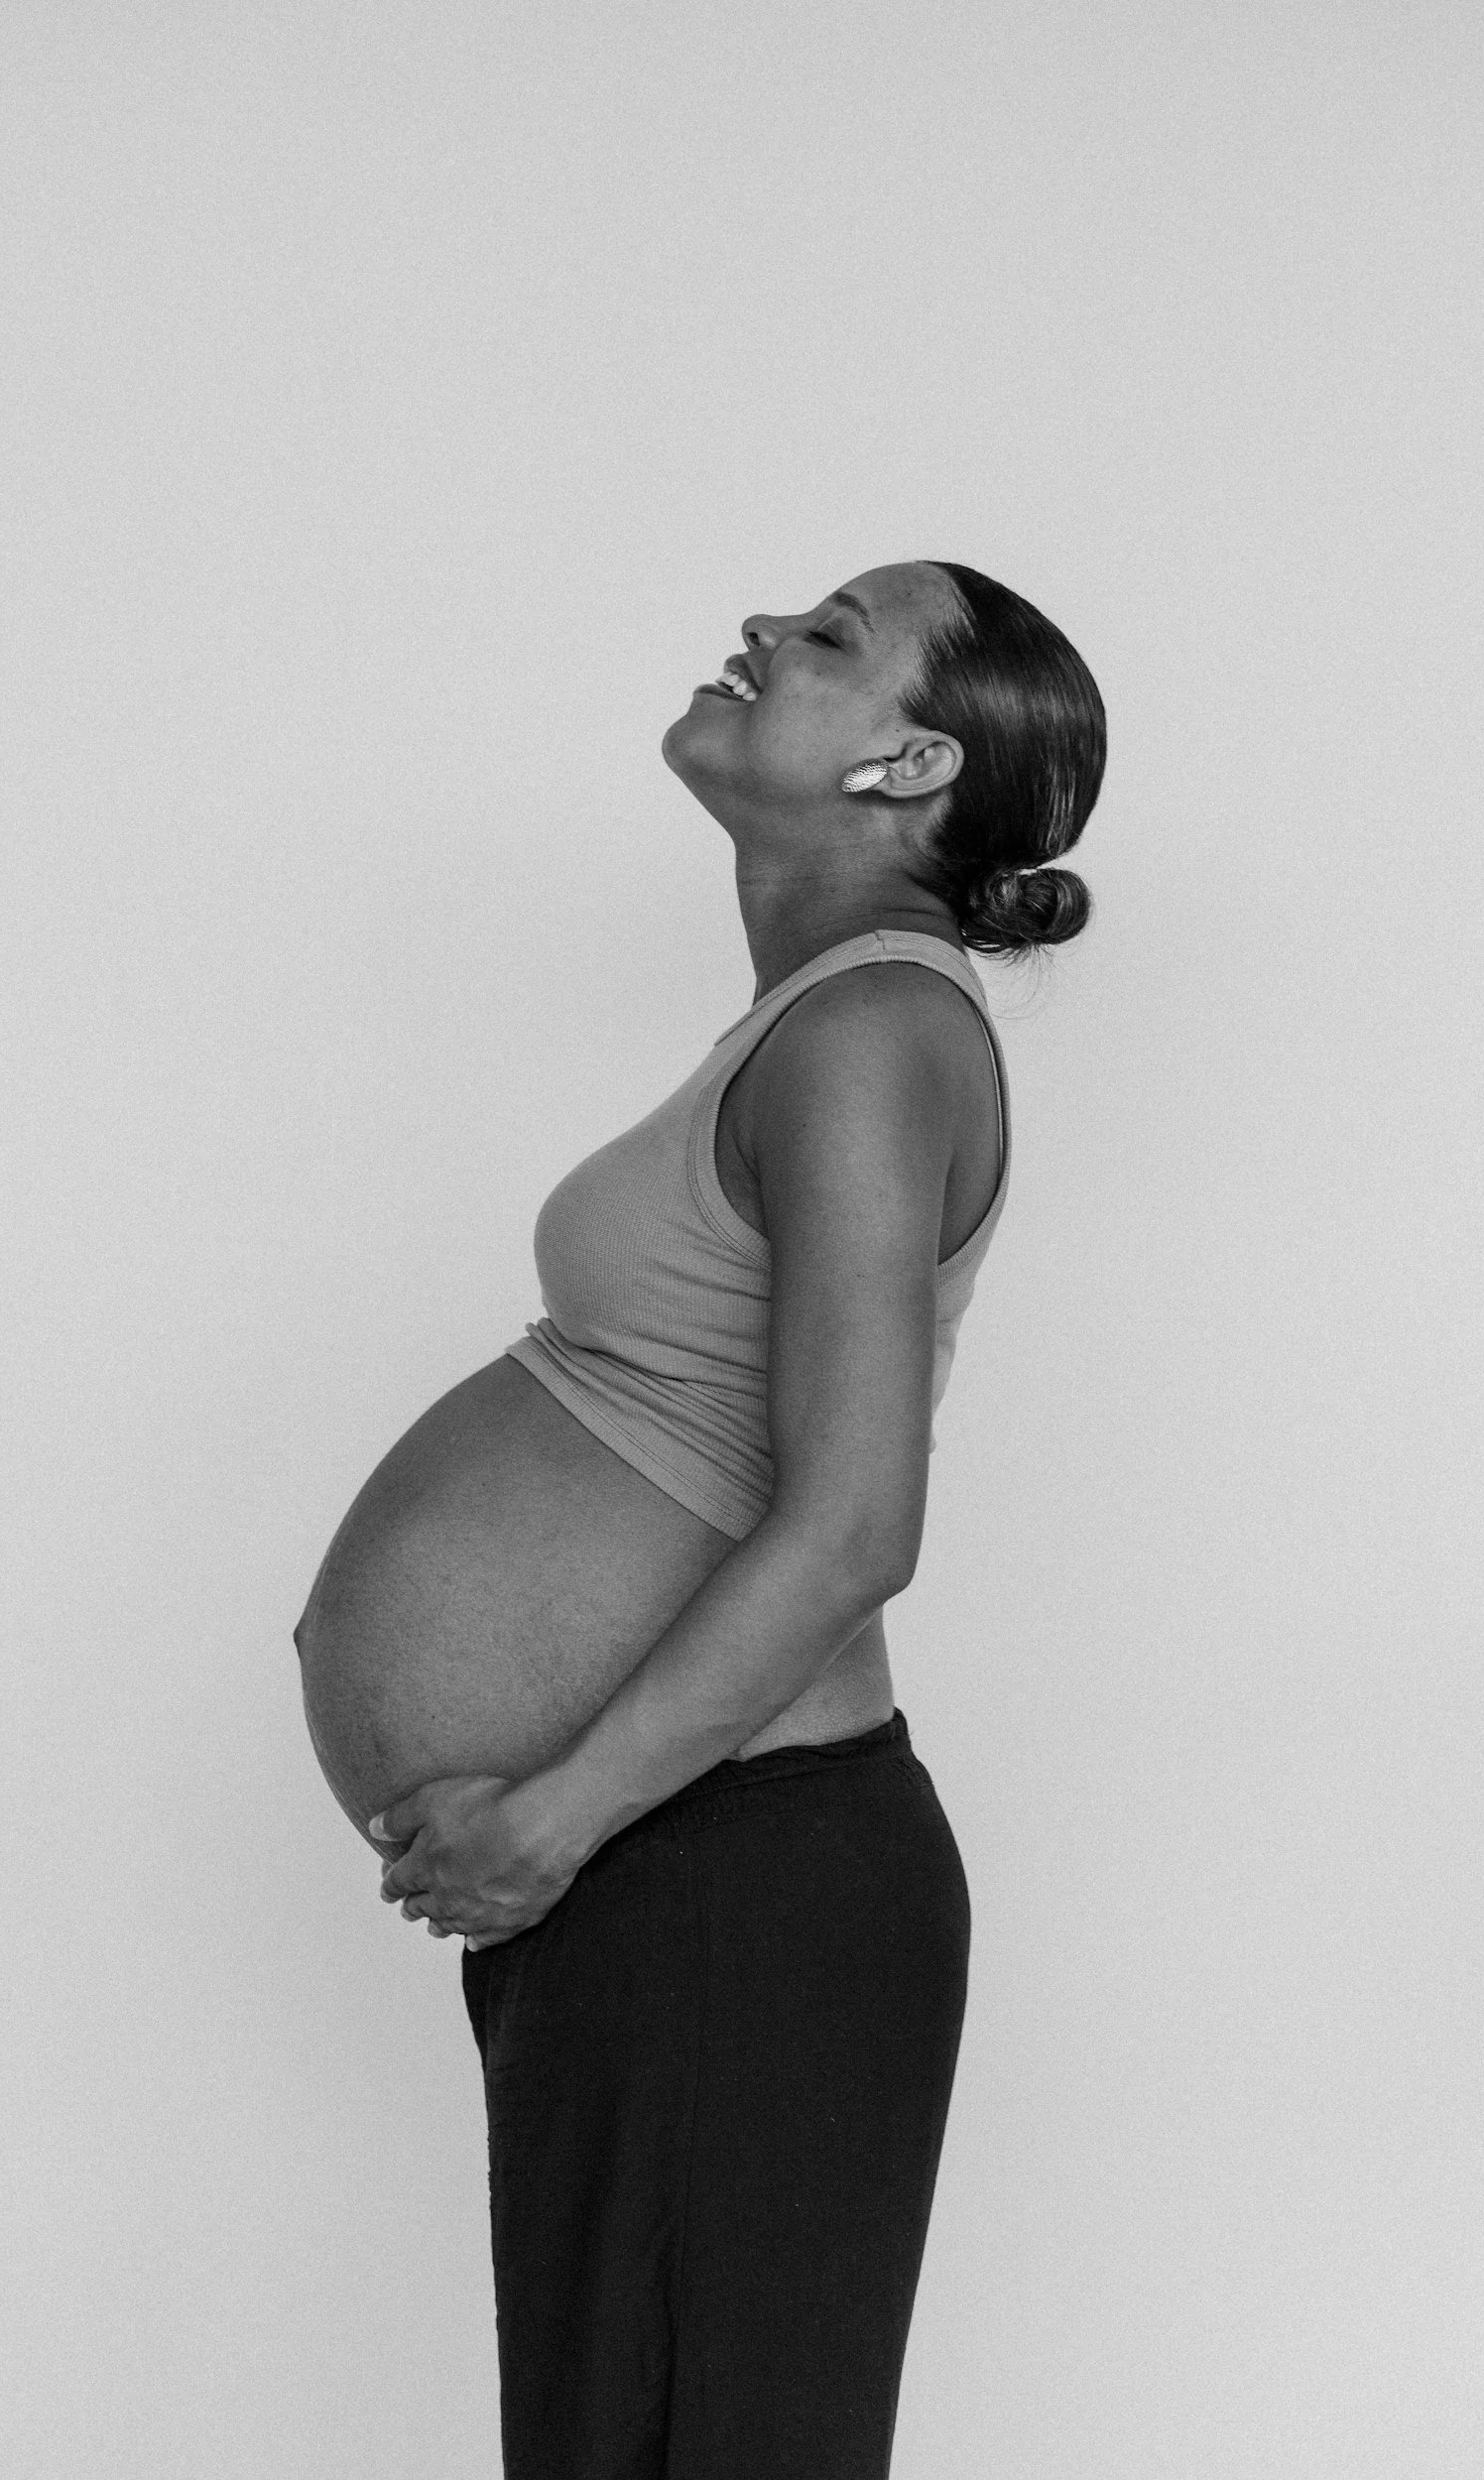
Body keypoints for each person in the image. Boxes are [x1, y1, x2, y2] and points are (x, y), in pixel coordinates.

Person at [305, 558, 1105, 2478]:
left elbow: (852, 1526)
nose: (762, 627)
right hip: (665, 1877)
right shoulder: (816, 1026)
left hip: (710, 1872)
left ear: (910, 760)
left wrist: (547, 1820)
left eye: (830, 635)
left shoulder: (869, 1034)